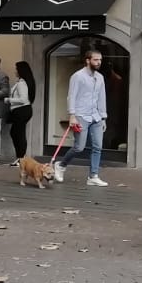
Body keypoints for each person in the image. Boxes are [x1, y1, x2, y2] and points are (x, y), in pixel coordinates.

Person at [53, 49, 107, 187]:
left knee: (98, 147)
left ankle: (93, 176)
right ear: (88, 60)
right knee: (79, 147)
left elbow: (102, 98)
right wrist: (72, 115)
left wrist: (103, 117)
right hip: (81, 115)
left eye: (100, 60)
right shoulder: (78, 76)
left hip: (96, 116)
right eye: (96, 60)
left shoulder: (100, 77)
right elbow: (71, 96)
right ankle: (61, 165)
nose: (99, 62)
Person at [7, 60, 36, 160]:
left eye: (16, 69)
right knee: (16, 133)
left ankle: (21, 158)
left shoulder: (21, 83)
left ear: (21, 70)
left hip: (21, 111)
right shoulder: (22, 82)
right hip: (23, 111)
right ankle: (20, 157)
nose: (15, 71)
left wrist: (8, 100)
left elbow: (23, 99)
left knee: (18, 134)